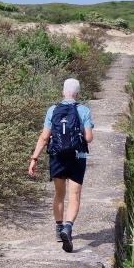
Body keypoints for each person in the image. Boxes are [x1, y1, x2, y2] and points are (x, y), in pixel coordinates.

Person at [28, 78, 94, 252]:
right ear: (77, 93)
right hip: (77, 157)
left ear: (62, 92)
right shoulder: (84, 110)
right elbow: (88, 138)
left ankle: (59, 229)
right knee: (74, 196)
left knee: (59, 194)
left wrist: (34, 158)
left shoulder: (53, 110)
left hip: (57, 157)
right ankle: (68, 227)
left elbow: (44, 137)